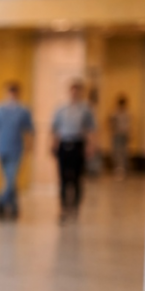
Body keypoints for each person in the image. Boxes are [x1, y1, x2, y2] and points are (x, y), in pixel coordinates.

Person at [51, 80, 96, 221]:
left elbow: (91, 130)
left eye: (77, 91)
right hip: (64, 144)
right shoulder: (61, 109)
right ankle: (64, 207)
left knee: (77, 178)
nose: (74, 93)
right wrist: (53, 144)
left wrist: (90, 147)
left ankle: (75, 207)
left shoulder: (86, 109)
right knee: (63, 178)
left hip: (78, 144)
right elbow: (55, 129)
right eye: (72, 90)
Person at [0, 81, 34, 218]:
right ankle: (14, 207)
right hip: (1, 148)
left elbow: (30, 130)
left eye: (14, 92)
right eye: (10, 92)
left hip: (16, 149)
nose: (12, 95)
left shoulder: (23, 111)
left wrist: (30, 146)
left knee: (11, 178)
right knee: (6, 178)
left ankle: (0, 201)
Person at [109, 95, 132, 179]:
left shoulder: (127, 113)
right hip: (117, 135)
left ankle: (123, 169)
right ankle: (117, 169)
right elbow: (111, 123)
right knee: (117, 152)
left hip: (124, 135)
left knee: (124, 152)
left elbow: (128, 126)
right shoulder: (115, 113)